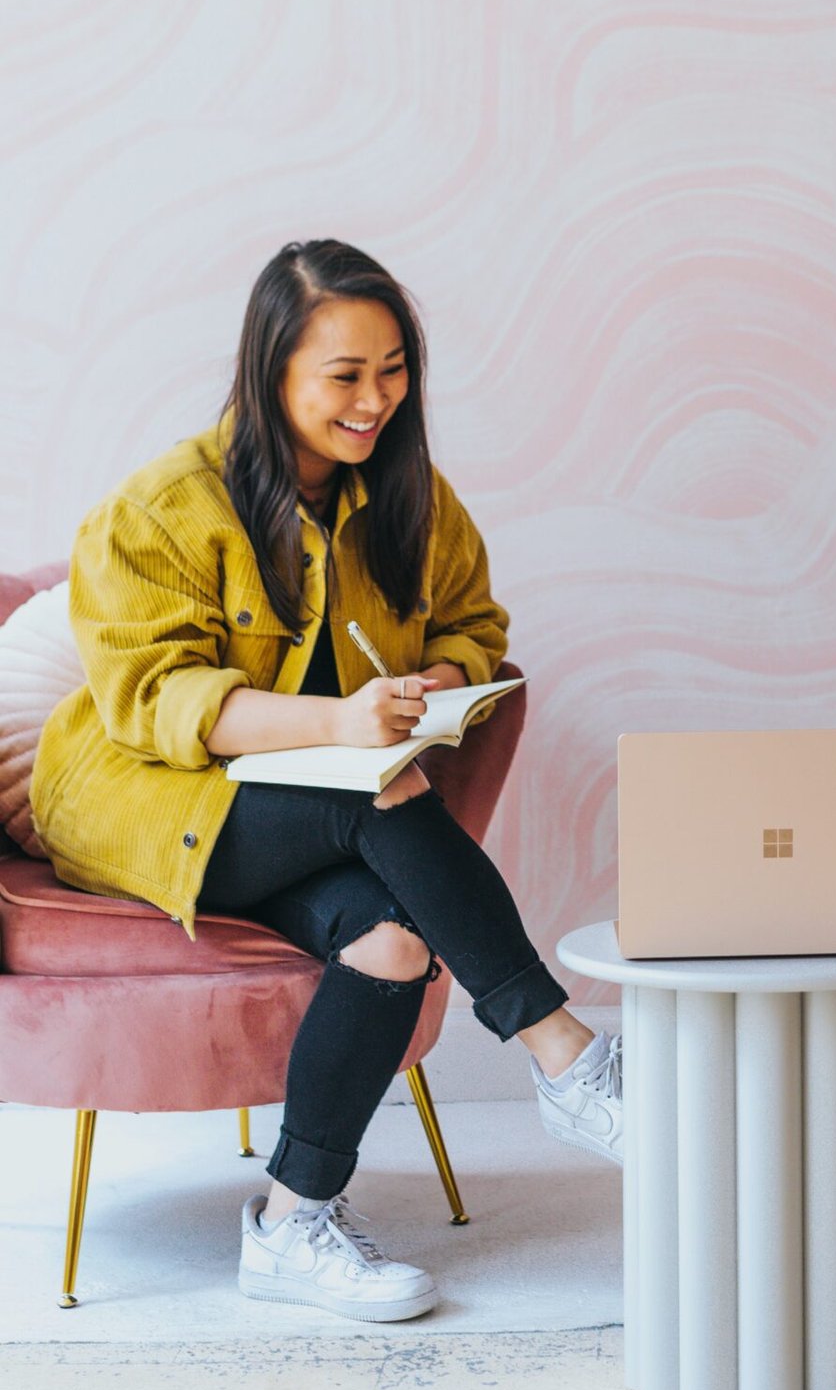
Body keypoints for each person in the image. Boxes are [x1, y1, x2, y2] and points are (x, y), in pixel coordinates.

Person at [32, 238, 622, 1323]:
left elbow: (474, 623)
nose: (374, 400)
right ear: (272, 374)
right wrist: (342, 724)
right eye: (344, 375)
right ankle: (565, 1056)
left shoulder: (407, 494)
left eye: (392, 368)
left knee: (392, 946)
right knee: (379, 791)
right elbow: (161, 703)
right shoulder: (161, 505)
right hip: (146, 804)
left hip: (313, 819)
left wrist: (444, 677)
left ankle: (294, 1221)